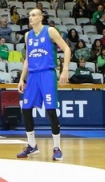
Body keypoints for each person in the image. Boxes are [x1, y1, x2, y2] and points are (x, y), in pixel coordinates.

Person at [16, 9, 71, 161]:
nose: (30, 17)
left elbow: (67, 49)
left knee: (51, 110)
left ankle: (57, 147)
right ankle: (32, 145)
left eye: (33, 15)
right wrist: (21, 79)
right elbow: (27, 59)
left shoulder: (50, 31)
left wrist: (65, 69)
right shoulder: (27, 35)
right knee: (26, 109)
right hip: (33, 76)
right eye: (29, 15)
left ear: (41, 17)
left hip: (47, 73)